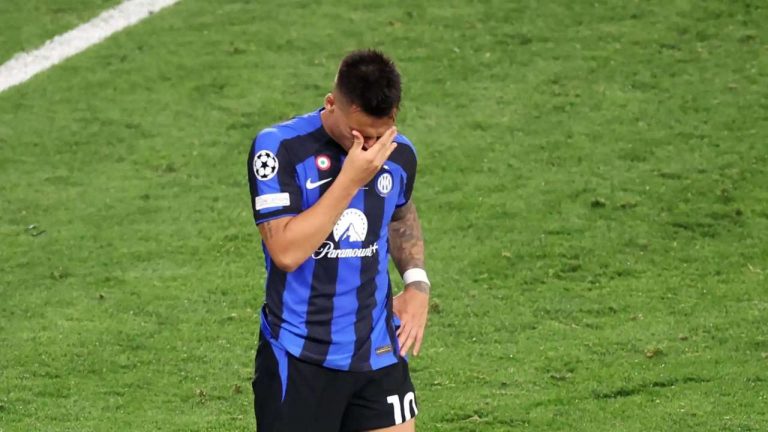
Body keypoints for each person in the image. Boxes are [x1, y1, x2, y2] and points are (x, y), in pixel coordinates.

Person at [247, 49, 431, 432]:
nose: (369, 148)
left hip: (377, 352)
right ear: (331, 104)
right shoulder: (279, 150)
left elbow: (401, 214)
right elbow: (285, 252)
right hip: (300, 357)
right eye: (358, 134)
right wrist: (350, 179)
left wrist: (416, 283)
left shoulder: (399, 155)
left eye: (379, 135)